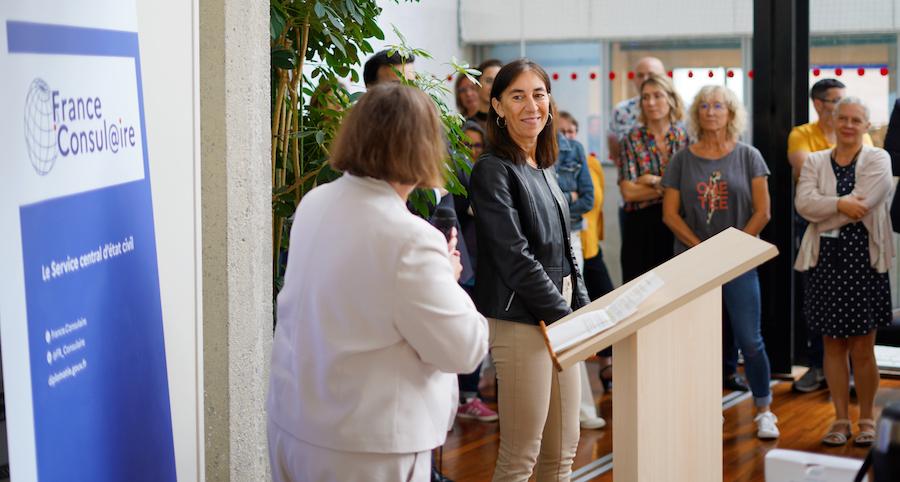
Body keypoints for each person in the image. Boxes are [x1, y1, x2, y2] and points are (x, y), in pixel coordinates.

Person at [267, 83, 489, 482]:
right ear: (422, 147)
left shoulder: (315, 203)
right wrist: (450, 278)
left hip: (296, 425)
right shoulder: (411, 238)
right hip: (367, 446)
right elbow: (464, 350)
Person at [470, 59, 589, 480]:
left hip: (559, 317)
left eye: (538, 94)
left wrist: (584, 311)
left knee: (562, 452)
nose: (531, 105)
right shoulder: (491, 169)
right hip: (521, 320)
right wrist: (566, 316)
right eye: (517, 96)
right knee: (522, 456)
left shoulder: (542, 165)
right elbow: (514, 256)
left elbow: (567, 248)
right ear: (498, 107)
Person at [661, 85, 779, 440]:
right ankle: (705, 408)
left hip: (739, 261)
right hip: (694, 263)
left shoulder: (749, 156)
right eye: (705, 106)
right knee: (698, 341)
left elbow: (763, 211)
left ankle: (764, 409)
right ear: (696, 114)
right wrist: (703, 251)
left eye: (719, 106)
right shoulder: (682, 159)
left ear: (730, 113)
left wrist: (729, 250)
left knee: (750, 339)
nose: (711, 112)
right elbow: (670, 214)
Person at [794, 97, 893, 447]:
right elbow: (803, 204)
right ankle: (839, 419)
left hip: (863, 260)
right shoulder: (815, 161)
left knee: (863, 348)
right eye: (844, 118)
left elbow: (866, 203)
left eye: (856, 119)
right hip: (824, 261)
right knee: (831, 345)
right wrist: (839, 204)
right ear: (833, 122)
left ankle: (866, 418)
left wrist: (823, 212)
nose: (849, 125)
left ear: (866, 125)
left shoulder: (878, 158)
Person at [787, 79, 874, 393]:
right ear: (818, 103)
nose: (843, 107)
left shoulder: (865, 143)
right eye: (836, 101)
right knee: (817, 302)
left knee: (857, 307)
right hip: (813, 231)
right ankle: (817, 365)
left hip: (860, 236)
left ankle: (850, 372)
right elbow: (804, 178)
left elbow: (869, 192)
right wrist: (840, 201)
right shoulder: (801, 135)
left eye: (845, 101)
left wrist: (826, 199)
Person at [557, 110, 606, 430]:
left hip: (571, 238)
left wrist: (556, 202)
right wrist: (564, 196)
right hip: (534, 240)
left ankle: (582, 409)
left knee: (572, 316)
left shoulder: (573, 151)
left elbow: (587, 198)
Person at [562, 112, 616, 394]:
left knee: (606, 302)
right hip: (568, 244)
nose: (568, 136)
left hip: (590, 244)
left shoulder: (590, 162)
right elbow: (563, 204)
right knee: (577, 308)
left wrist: (568, 199)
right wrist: (568, 199)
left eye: (573, 130)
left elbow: (591, 203)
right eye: (563, 131)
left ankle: (607, 364)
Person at [618, 73, 687, 282]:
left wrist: (650, 180)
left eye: (657, 96)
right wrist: (667, 186)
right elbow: (628, 192)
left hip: (678, 223)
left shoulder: (686, 138)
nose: (650, 102)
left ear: (671, 99)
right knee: (638, 295)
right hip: (640, 227)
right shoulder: (631, 139)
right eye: (645, 97)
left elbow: (688, 188)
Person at [453, 120, 499, 423]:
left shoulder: (487, 174)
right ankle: (464, 396)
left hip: (483, 263)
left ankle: (470, 394)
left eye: (477, 145)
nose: (472, 151)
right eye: (466, 145)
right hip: (461, 263)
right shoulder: (452, 175)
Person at [607, 56, 667, 164]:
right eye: (640, 75)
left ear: (664, 77)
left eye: (651, 74)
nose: (645, 79)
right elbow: (614, 149)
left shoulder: (683, 110)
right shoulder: (621, 111)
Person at [470, 59, 503, 127]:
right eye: (489, 81)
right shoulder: (470, 126)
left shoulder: (511, 122)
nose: (493, 86)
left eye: (498, 81)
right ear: (476, 85)